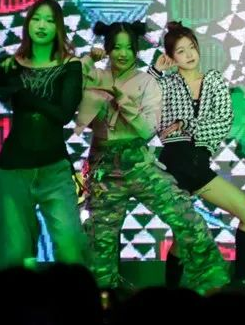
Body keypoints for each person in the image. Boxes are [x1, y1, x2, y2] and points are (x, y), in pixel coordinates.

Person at [76, 21, 229, 293]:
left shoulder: (146, 82)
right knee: (100, 242)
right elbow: (75, 100)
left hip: (139, 163)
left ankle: (212, 287)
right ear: (108, 49)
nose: (122, 53)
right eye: (116, 47)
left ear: (136, 50)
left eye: (128, 48)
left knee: (188, 219)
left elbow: (147, 129)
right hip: (104, 168)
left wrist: (122, 100)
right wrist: (88, 60)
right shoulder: (96, 77)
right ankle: (102, 298)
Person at [0, 0, 87, 268]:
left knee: (71, 246)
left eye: (49, 20)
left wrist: (21, 94)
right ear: (27, 24)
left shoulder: (70, 65)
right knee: (14, 255)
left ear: (58, 27)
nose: (42, 25)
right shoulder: (12, 65)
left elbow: (63, 114)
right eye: (36, 18)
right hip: (13, 170)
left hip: (54, 170)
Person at [148, 21, 245, 287]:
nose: (189, 55)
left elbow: (223, 122)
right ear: (171, 57)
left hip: (198, 162)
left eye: (192, 48)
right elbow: (141, 103)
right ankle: (237, 284)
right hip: (175, 162)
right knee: (188, 233)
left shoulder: (214, 80)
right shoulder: (166, 84)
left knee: (243, 217)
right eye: (180, 51)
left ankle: (237, 282)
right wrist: (155, 71)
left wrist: (186, 124)